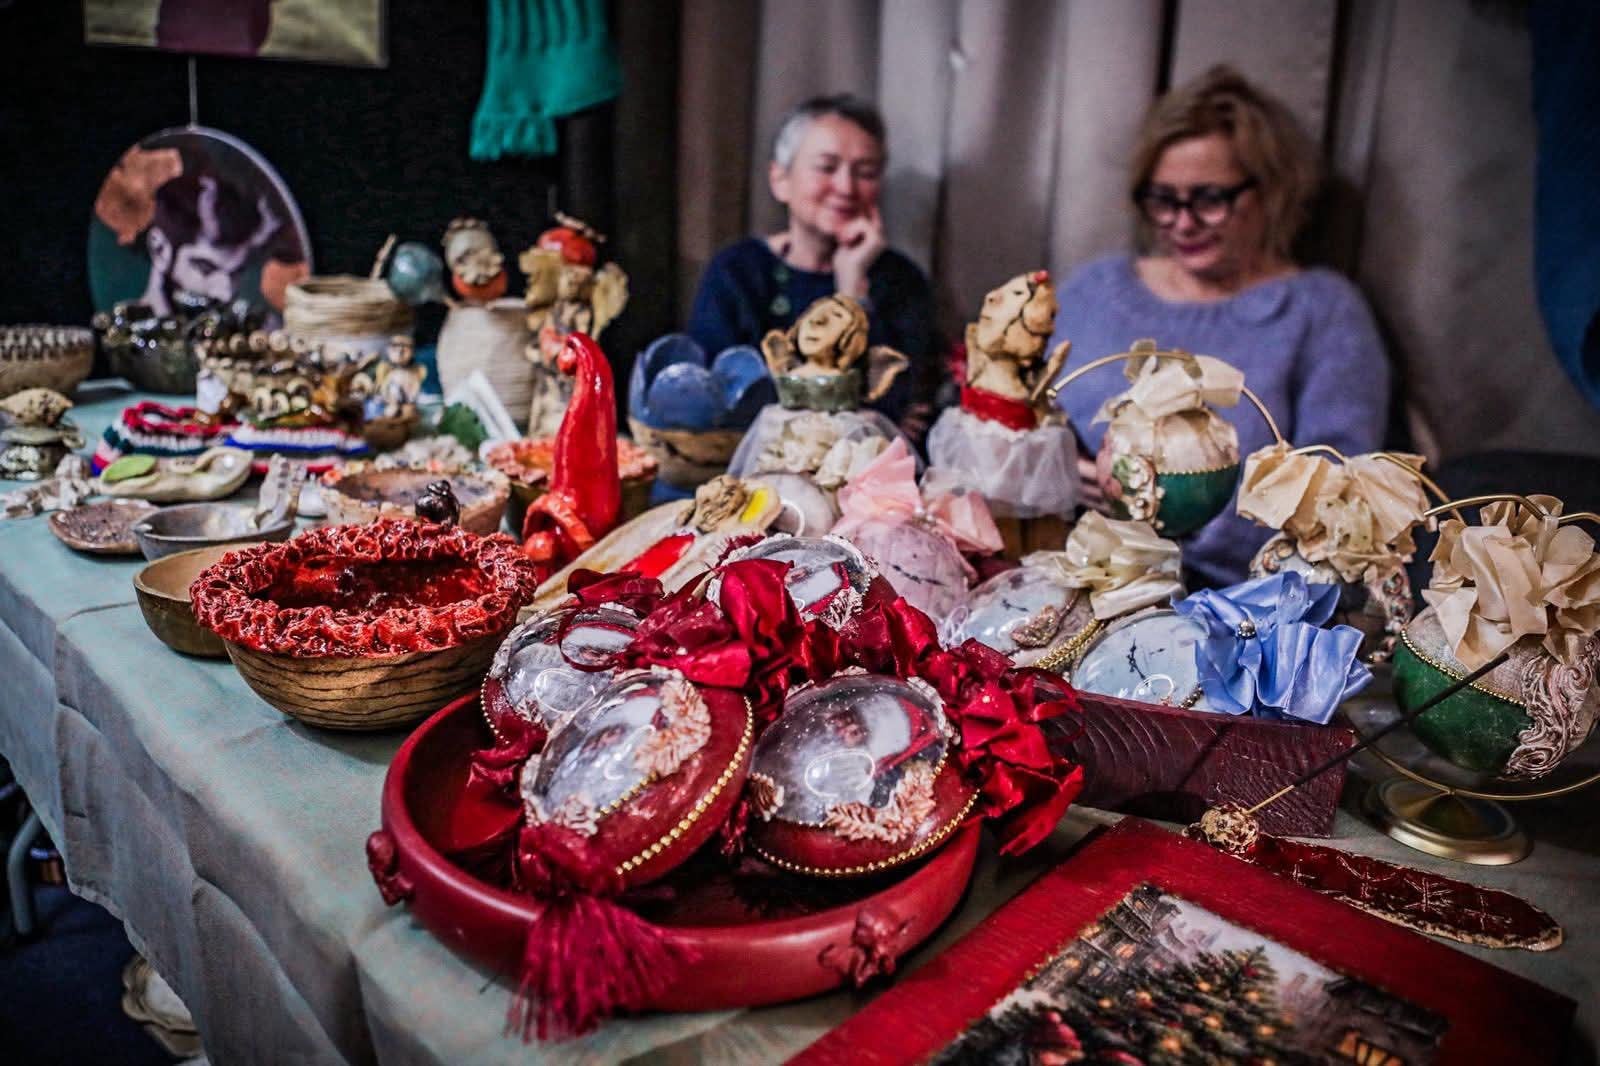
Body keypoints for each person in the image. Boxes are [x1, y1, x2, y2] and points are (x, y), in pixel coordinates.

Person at [1048, 65, 1390, 587]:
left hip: (1228, 593)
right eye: (1163, 200)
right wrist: (1057, 470)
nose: (1183, 223)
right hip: (1060, 562)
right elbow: (1022, 418)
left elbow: (1338, 488)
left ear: (1270, 190)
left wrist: (1174, 518)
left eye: (1209, 199)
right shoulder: (1094, 289)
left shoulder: (1320, 310)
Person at [687, 94, 936, 426]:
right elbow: (715, 405)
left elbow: (893, 408)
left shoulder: (901, 279)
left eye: (865, 172)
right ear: (780, 180)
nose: (846, 187)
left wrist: (852, 291)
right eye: (826, 167)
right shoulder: (736, 271)